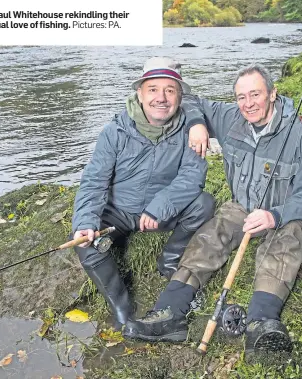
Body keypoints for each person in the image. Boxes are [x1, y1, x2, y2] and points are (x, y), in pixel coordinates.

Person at [123, 64, 302, 353]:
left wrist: (274, 216)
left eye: (255, 94)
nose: (248, 104)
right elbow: (188, 98)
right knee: (210, 236)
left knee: (284, 241)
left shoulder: (301, 134)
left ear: (273, 94)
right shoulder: (229, 117)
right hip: (242, 206)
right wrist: (197, 123)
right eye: (241, 97)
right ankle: (170, 313)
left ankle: (261, 322)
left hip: (287, 211)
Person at [71, 57, 215, 330]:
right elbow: (94, 181)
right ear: (139, 93)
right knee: (83, 241)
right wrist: (86, 222)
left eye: (170, 90)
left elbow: (192, 177)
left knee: (204, 204)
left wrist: (160, 206)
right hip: (119, 213)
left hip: (159, 215)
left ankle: (170, 260)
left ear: (180, 96)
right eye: (153, 89)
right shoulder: (114, 131)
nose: (161, 98)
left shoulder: (192, 131)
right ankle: (121, 308)